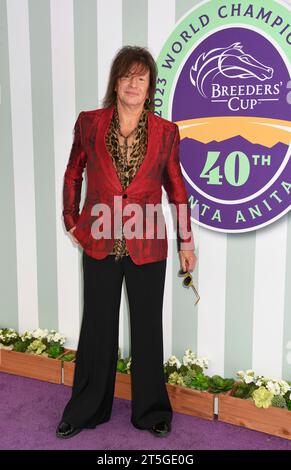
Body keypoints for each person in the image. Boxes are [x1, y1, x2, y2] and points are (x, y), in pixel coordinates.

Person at [56, 45, 197, 439]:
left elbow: (178, 191)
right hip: (99, 239)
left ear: (149, 85)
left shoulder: (167, 132)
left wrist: (187, 241)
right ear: (115, 82)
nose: (133, 83)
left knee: (148, 329)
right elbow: (73, 173)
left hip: (148, 240)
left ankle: (151, 412)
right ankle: (86, 409)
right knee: (98, 326)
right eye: (126, 75)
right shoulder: (89, 123)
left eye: (141, 77)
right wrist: (72, 220)